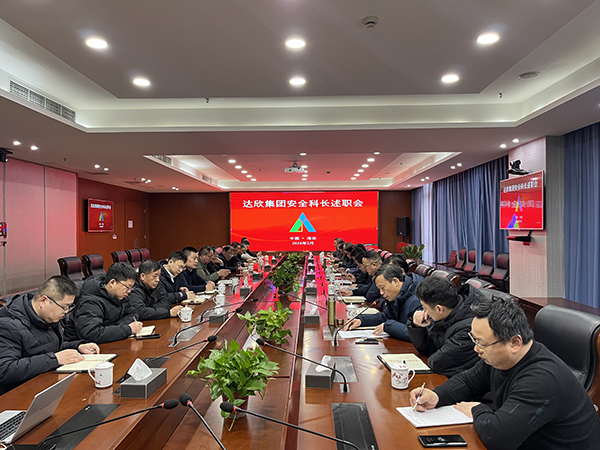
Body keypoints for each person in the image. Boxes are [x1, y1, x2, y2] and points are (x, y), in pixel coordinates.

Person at [409, 297, 600, 450]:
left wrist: (477, 409)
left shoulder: (542, 380)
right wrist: (437, 395)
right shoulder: (502, 357)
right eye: (474, 340)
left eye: (481, 343)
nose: (476, 349)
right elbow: (469, 381)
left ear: (515, 342)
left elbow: (498, 438)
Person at [0, 276, 100, 395]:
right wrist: (55, 359)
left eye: (69, 307)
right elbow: (5, 370)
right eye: (64, 307)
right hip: (18, 395)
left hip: (46, 385)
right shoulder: (8, 326)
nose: (66, 312)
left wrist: (78, 346)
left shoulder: (48, 316)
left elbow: (50, 347)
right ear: (43, 301)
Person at [407, 276, 485, 377]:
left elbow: (437, 362)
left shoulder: (469, 327)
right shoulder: (450, 314)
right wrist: (417, 327)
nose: (424, 312)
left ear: (439, 309)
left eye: (425, 308)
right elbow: (428, 348)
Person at [63, 263, 143, 344]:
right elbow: (92, 333)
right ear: (112, 282)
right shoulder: (90, 301)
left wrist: (118, 328)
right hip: (81, 347)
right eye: (127, 287)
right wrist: (127, 329)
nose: (129, 291)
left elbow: (133, 313)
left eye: (131, 288)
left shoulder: (121, 296)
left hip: (108, 342)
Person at [343, 264, 421, 341]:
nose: (381, 293)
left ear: (395, 281)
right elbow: (386, 316)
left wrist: (388, 326)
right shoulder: (397, 294)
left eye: (383, 288)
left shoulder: (418, 299)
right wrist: (361, 320)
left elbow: (417, 334)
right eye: (379, 289)